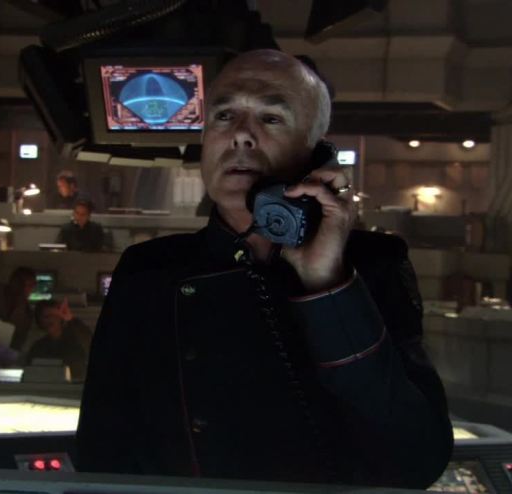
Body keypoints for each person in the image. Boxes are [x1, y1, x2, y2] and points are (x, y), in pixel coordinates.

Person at [76, 50, 453, 488]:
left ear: (316, 152)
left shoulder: (372, 263)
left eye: (271, 118)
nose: (240, 135)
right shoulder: (149, 269)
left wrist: (327, 285)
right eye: (224, 116)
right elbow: (101, 450)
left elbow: (417, 459)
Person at [27, 299, 93, 380]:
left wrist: (70, 319)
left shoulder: (76, 340)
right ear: (40, 320)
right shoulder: (37, 347)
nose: (50, 320)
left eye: (54, 316)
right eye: (46, 316)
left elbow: (88, 341)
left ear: (61, 318)